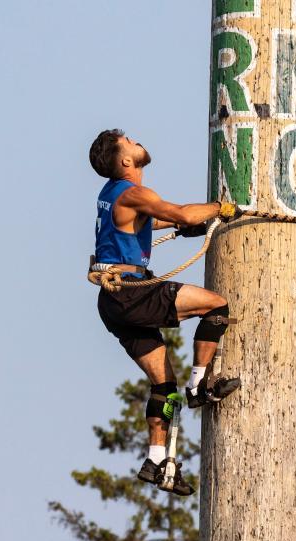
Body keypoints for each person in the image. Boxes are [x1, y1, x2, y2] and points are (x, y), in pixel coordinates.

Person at [90, 129, 241, 495]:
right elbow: (178, 212)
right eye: (129, 141)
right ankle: (199, 386)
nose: (136, 140)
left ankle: (157, 460)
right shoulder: (133, 191)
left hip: (114, 303)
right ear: (126, 161)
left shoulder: (112, 195)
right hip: (132, 292)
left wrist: (182, 225)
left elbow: (155, 221)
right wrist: (221, 209)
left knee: (162, 386)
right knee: (216, 304)